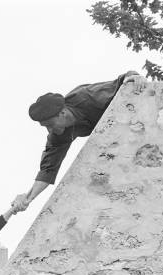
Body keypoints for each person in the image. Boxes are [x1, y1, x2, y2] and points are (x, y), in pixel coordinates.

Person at [12, 71, 147, 211]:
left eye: (50, 124)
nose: (49, 130)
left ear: (62, 114)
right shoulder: (58, 136)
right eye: (45, 126)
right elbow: (47, 171)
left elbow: (121, 81)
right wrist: (27, 198)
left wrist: (134, 77)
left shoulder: (87, 96)